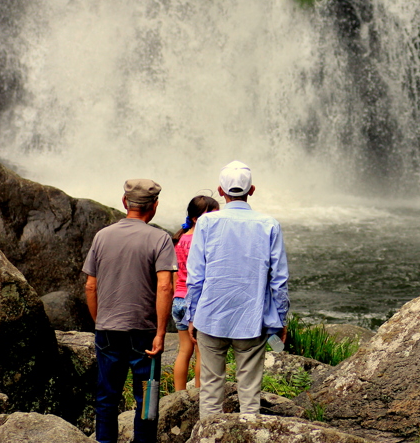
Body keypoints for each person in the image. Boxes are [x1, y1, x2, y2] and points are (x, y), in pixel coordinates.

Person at [185, 160, 289, 418]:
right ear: (251, 190)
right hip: (251, 318)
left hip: (211, 316)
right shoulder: (269, 224)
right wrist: (281, 317)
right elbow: (279, 279)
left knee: (210, 387)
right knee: (250, 390)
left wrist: (192, 315)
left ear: (220, 192)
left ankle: (208, 435)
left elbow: (195, 276)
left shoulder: (207, 223)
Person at [83, 179, 177, 443]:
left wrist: (100, 321)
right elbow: (165, 287)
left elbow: (90, 286)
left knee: (106, 398)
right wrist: (161, 332)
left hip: (108, 330)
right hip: (145, 334)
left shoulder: (102, 236)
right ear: (154, 206)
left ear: (125, 203)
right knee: (147, 396)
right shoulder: (159, 238)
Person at [171, 194, 219, 392]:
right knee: (202, 353)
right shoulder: (203, 242)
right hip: (196, 302)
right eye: (212, 216)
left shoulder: (179, 240)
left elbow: (175, 276)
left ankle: (178, 396)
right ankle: (199, 395)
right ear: (196, 218)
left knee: (183, 351)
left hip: (179, 301)